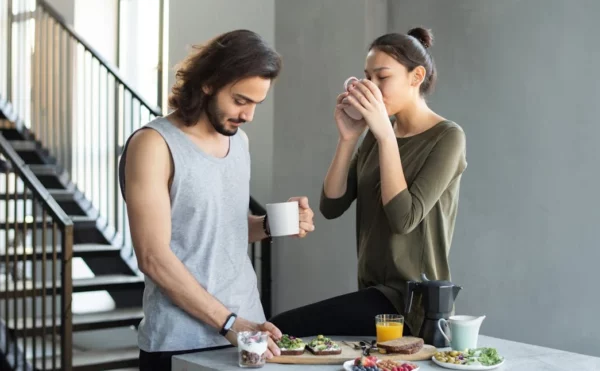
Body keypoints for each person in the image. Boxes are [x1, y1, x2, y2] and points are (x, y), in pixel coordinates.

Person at [118, 29, 315, 371]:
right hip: (179, 342)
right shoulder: (153, 145)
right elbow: (152, 256)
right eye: (240, 100)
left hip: (249, 335)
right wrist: (229, 324)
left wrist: (273, 225)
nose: (248, 115)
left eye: (256, 103)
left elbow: (222, 229)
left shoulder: (239, 143)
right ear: (208, 82)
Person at [270, 27, 467, 339]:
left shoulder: (447, 137)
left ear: (416, 77)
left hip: (412, 303)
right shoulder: (378, 134)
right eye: (367, 77)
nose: (371, 88)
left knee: (281, 329)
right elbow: (332, 205)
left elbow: (404, 218)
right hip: (374, 292)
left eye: (382, 77)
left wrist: (385, 135)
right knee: (285, 334)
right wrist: (348, 138)